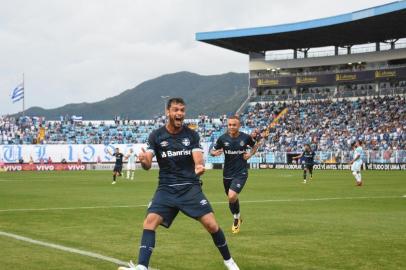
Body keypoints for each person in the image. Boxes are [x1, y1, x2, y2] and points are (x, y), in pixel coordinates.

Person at [118, 98, 239, 270]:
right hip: (166, 188)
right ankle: (142, 267)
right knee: (150, 222)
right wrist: (144, 161)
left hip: (189, 187)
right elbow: (147, 164)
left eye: (182, 110)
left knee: (212, 225)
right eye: (176, 110)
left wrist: (199, 166)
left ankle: (229, 261)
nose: (179, 113)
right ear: (168, 112)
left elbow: (198, 158)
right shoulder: (156, 136)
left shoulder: (191, 135)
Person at [210, 115, 262, 234]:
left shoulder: (246, 137)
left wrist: (250, 154)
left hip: (241, 172)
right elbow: (212, 150)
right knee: (231, 199)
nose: (232, 127)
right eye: (230, 125)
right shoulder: (222, 138)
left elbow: (255, 145)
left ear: (239, 126)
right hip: (227, 173)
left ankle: (236, 219)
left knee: (232, 196)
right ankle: (237, 217)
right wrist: (214, 153)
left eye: (234, 125)